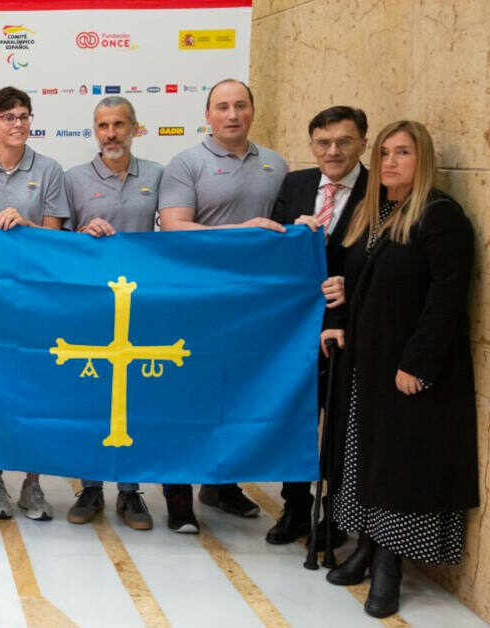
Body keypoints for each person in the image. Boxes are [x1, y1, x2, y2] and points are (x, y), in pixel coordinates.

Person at [320, 120, 477, 618]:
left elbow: (446, 297)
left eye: (403, 152)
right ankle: (366, 546)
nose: (390, 162)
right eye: (385, 152)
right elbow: (355, 277)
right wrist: (340, 306)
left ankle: (390, 565)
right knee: (365, 457)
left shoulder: (439, 216)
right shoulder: (373, 212)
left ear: (422, 159)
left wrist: (418, 362)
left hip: (407, 365)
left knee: (400, 465)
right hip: (366, 361)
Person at [157, 78, 288, 532]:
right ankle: (177, 494)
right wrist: (240, 231)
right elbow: (174, 226)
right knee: (185, 395)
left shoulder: (276, 164)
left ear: (252, 110)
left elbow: (283, 232)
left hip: (252, 305)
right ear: (207, 115)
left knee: (235, 395)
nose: (232, 115)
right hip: (195, 299)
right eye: (223, 107)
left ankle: (220, 485)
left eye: (240, 105)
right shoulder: (186, 163)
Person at [0, 86, 70, 522]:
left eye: (24, 115)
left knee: (36, 391)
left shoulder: (49, 170)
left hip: (37, 302)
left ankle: (32, 482)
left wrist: (26, 226)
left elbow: (57, 240)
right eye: (8, 117)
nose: (18, 123)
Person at [267, 105, 370, 549]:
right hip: (293, 326)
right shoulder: (296, 184)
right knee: (296, 415)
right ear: (312, 145)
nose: (333, 151)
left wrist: (352, 285)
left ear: (363, 143)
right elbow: (270, 247)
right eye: (323, 143)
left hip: (348, 325)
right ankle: (295, 505)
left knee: (341, 421)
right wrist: (292, 234)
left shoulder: (378, 191)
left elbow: (385, 259)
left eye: (344, 142)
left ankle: (336, 512)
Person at [63, 96, 162, 530]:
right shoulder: (73, 179)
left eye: (119, 124)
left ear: (134, 128)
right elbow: (57, 242)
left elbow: (174, 232)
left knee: (133, 399)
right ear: (94, 130)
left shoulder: (157, 175)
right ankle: (89, 487)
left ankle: (130, 492)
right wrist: (83, 235)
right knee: (91, 398)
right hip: (91, 304)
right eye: (103, 125)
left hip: (141, 303)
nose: (110, 133)